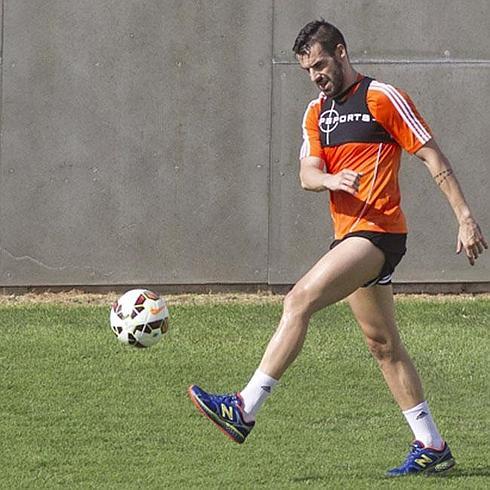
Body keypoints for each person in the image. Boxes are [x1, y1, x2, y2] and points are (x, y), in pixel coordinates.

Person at [188, 19, 487, 477]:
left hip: (378, 233)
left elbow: (432, 156)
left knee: (298, 300)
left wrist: (465, 218)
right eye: (308, 70)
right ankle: (432, 446)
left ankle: (244, 407)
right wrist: (331, 179)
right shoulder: (316, 113)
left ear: (342, 52)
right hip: (349, 236)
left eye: (321, 64)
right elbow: (307, 173)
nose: (316, 76)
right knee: (383, 345)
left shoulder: (382, 98)